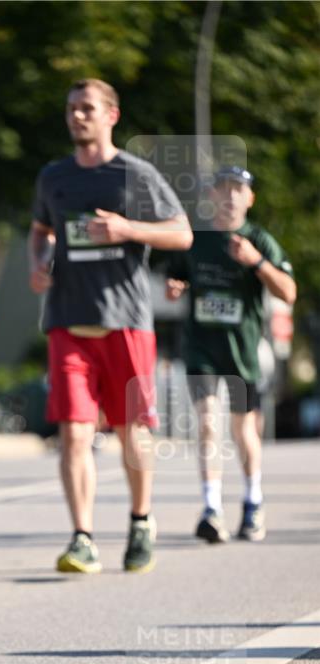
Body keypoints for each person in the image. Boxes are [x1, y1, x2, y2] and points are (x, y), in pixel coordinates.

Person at [28, 78, 192, 574]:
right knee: (75, 435)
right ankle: (83, 538)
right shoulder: (53, 177)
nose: (77, 116)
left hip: (126, 324)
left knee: (130, 433)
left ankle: (141, 521)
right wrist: (37, 262)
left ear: (111, 116)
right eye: (71, 108)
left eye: (87, 108)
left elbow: (182, 233)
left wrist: (127, 228)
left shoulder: (134, 174)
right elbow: (41, 230)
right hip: (68, 322)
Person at [166, 165, 296, 542]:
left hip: (242, 352)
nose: (229, 195)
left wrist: (255, 261)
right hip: (201, 348)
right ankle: (212, 509)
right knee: (208, 423)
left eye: (237, 188)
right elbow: (176, 275)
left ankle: (253, 503)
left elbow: (288, 292)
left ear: (249, 198)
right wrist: (176, 286)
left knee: (243, 431)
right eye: (222, 188)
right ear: (211, 196)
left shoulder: (259, 239)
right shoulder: (197, 237)